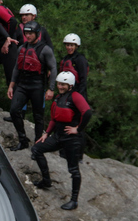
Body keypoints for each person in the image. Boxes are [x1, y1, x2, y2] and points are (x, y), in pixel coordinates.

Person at [31, 72, 92, 210]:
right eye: (59, 84)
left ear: (70, 85)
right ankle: (46, 181)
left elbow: (87, 112)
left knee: (73, 170)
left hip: (72, 139)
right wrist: (46, 133)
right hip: (58, 136)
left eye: (63, 84)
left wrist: (78, 129)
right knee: (36, 149)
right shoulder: (58, 98)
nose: (60, 86)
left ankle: (74, 201)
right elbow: (54, 119)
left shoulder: (75, 96)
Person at [8, 21, 57, 151]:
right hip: (22, 85)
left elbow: (53, 68)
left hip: (37, 86)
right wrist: (11, 86)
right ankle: (23, 139)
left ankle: (37, 142)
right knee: (13, 110)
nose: (28, 36)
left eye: (31, 33)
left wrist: (51, 89)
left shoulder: (45, 49)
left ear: (37, 34)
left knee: (38, 116)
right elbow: (16, 68)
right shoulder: (22, 48)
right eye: (26, 33)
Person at [59, 33, 89, 100]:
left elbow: (83, 79)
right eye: (67, 45)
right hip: (66, 93)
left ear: (76, 46)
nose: (69, 47)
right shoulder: (65, 59)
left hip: (77, 92)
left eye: (72, 45)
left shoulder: (80, 59)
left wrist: (79, 96)